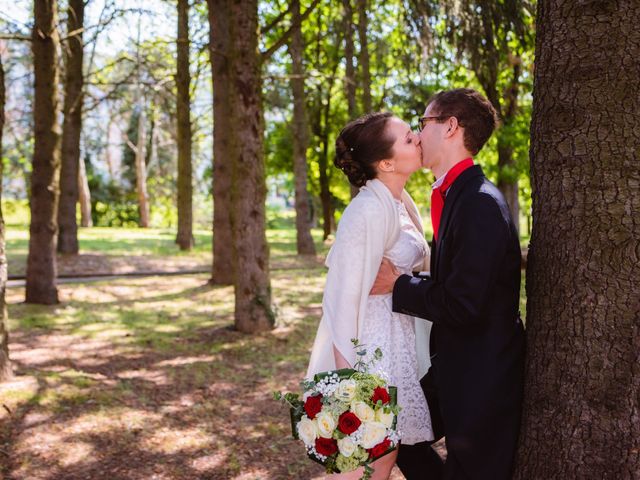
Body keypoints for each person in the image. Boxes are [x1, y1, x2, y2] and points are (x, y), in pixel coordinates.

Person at [371, 88, 525, 480]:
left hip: (483, 377)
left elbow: (464, 302)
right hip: (454, 365)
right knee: (398, 435)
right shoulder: (457, 195)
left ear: (451, 127)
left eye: (423, 123)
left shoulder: (479, 203)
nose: (418, 135)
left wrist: (399, 285)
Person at [306, 112, 442, 479]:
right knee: (366, 465)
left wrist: (401, 278)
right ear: (386, 162)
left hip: (396, 343)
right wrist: (350, 386)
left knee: (384, 460)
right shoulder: (365, 210)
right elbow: (340, 301)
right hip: (368, 352)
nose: (416, 137)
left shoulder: (401, 202)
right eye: (407, 138)